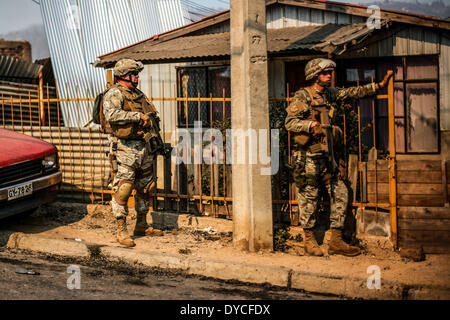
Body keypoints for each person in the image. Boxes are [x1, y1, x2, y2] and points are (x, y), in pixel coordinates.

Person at [285, 58, 392, 257]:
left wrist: (377, 86)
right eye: (325, 73)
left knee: (340, 191)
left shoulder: (329, 94)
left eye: (329, 73)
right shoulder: (303, 95)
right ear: (315, 75)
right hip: (307, 155)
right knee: (310, 196)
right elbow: (289, 123)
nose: (329, 76)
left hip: (326, 155)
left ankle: (336, 240)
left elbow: (351, 92)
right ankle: (309, 240)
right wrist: (310, 126)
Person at [102, 58, 163, 247]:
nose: (137, 76)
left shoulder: (137, 94)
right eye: (134, 73)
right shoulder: (114, 93)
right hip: (125, 148)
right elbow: (111, 115)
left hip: (144, 147)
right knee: (124, 188)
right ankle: (121, 230)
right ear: (124, 75)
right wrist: (136, 116)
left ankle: (142, 225)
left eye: (137, 73)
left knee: (146, 187)